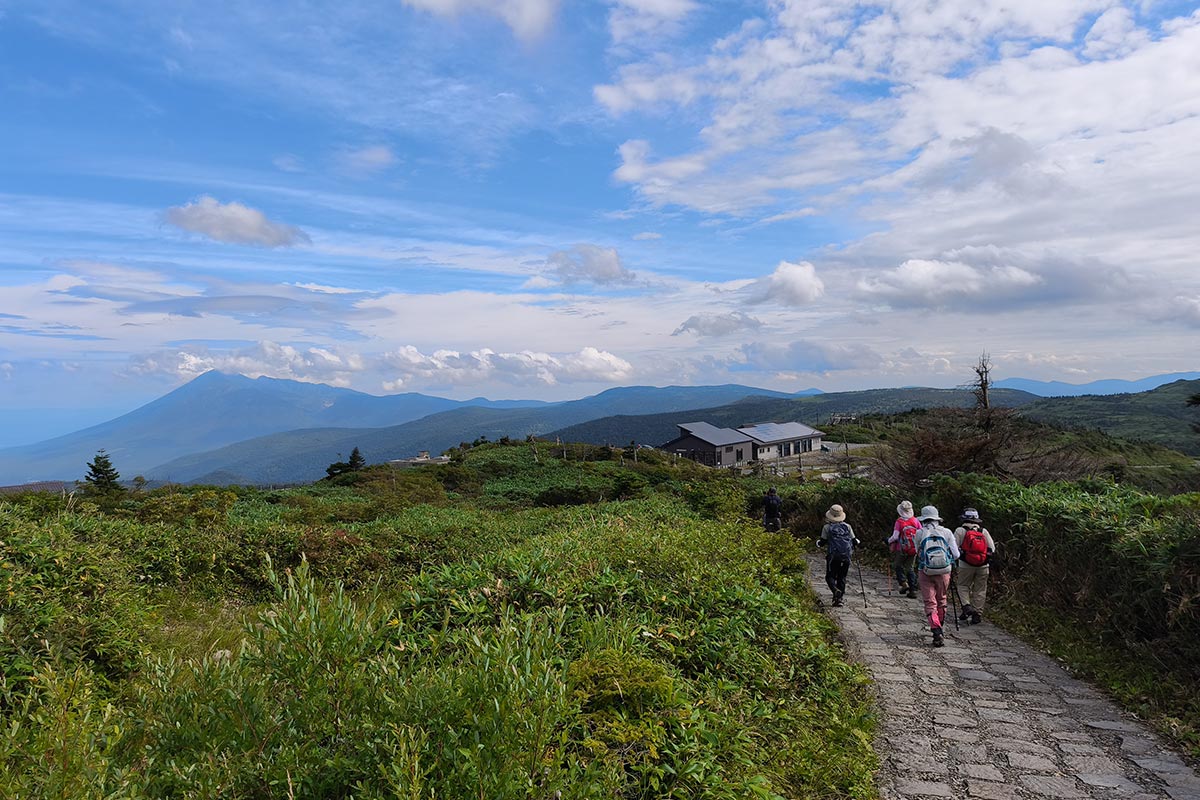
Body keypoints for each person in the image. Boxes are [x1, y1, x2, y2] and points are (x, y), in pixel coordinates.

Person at [916, 505, 960, 647]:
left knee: (930, 602)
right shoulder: (947, 532)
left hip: (925, 570)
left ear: (923, 518)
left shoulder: (920, 533)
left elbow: (917, 551)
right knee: (941, 599)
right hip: (944, 571)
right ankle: (939, 625)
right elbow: (956, 554)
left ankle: (936, 630)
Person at [953, 508, 995, 625]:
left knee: (962, 585)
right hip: (983, 565)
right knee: (980, 589)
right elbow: (992, 549)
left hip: (965, 564)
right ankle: (977, 613)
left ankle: (966, 606)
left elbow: (954, 549)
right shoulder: (983, 531)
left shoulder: (960, 531)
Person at [818, 504, 860, 607]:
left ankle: (835, 590)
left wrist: (818, 543)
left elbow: (822, 542)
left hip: (833, 556)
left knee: (830, 576)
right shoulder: (847, 526)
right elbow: (854, 541)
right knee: (842, 577)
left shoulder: (827, 527)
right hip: (846, 556)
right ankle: (839, 599)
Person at [887, 500, 920, 599]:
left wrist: (888, 541)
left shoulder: (899, 522)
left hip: (901, 548)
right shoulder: (915, 521)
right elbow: (920, 533)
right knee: (910, 568)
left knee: (897, 565)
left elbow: (895, 536)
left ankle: (903, 583)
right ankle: (913, 589)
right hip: (914, 548)